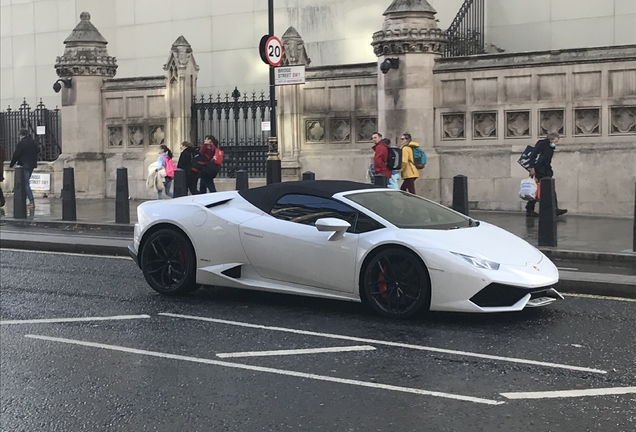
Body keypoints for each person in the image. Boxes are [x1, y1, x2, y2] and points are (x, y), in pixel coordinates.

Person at [526, 132, 567, 217]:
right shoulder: (542, 144)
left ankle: (553, 208)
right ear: (551, 139)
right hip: (539, 169)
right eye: (555, 141)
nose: (556, 143)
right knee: (537, 189)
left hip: (546, 170)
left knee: (547, 188)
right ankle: (530, 208)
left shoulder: (550, 147)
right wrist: (532, 167)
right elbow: (533, 154)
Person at [9, 129, 38, 208]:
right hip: (31, 165)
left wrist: (11, 164)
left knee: (25, 184)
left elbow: (16, 154)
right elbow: (37, 152)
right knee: (26, 182)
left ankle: (31, 201)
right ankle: (24, 199)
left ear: (21, 135)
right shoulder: (33, 142)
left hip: (24, 165)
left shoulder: (22, 143)